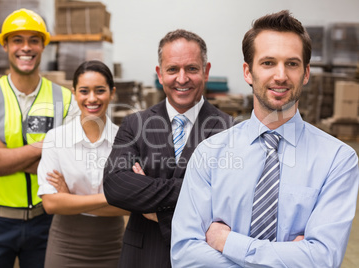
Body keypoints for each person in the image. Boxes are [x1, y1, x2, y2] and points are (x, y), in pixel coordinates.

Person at [171, 10, 359, 268]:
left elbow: (323, 260)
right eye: (268, 63)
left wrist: (228, 242)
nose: (280, 75)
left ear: (306, 73)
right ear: (248, 72)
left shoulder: (338, 160)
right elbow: (184, 256)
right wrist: (291, 257)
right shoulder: (209, 154)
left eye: (292, 64)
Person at [103, 29, 234, 267]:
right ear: (160, 73)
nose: (182, 79)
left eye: (192, 69)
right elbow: (115, 186)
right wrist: (197, 189)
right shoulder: (136, 124)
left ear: (206, 71)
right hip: (143, 257)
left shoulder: (228, 130)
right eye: (173, 69)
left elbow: (227, 200)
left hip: (202, 258)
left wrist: (154, 209)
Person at [0, 8, 80, 268]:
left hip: (47, 220)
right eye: (17, 39)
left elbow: (72, 168)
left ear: (43, 46)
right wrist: (45, 148)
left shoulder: (65, 100)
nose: (25, 47)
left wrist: (5, 154)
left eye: (34, 40)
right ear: (5, 45)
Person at [37, 60, 129, 268]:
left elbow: (133, 206)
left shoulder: (126, 141)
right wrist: (111, 197)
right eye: (84, 91)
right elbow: (51, 204)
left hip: (113, 245)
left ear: (112, 93)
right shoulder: (56, 139)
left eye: (100, 91)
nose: (92, 98)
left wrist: (69, 200)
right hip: (65, 246)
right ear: (74, 93)